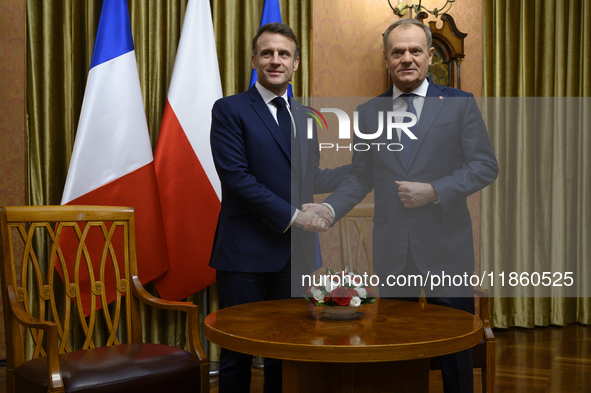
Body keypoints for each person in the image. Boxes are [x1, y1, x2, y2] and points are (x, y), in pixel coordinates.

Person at [308, 19, 498, 393]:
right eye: (398, 52)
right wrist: (329, 209)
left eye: (414, 51)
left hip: (447, 249)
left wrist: (435, 189)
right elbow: (361, 177)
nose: (406, 58)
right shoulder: (367, 112)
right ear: (386, 59)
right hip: (394, 249)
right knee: (398, 348)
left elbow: (484, 166)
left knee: (455, 347)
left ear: (430, 56)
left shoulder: (459, 104)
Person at [209, 23, 349, 393]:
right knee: (237, 353)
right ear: (254, 60)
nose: (275, 60)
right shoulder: (229, 109)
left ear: (296, 63)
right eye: (267, 53)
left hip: (294, 255)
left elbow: (311, 178)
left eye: (283, 54)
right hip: (244, 254)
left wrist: (365, 167)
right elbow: (237, 179)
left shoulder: (305, 117)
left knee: (286, 350)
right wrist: (295, 216)